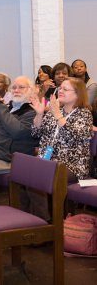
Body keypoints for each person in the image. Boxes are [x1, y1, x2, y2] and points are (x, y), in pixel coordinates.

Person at [29, 77, 93, 220]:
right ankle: (32, 222)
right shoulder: (54, 110)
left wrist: (57, 114)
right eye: (60, 88)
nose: (60, 91)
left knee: (37, 176)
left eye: (65, 89)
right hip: (48, 160)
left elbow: (74, 136)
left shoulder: (84, 114)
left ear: (78, 94)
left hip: (72, 165)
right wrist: (39, 114)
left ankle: (45, 223)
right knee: (26, 171)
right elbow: (36, 133)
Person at [0, 76, 39, 174]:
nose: (16, 90)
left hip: (8, 160)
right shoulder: (7, 107)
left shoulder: (33, 112)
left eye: (21, 87)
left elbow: (17, 131)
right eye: (13, 87)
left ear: (31, 91)